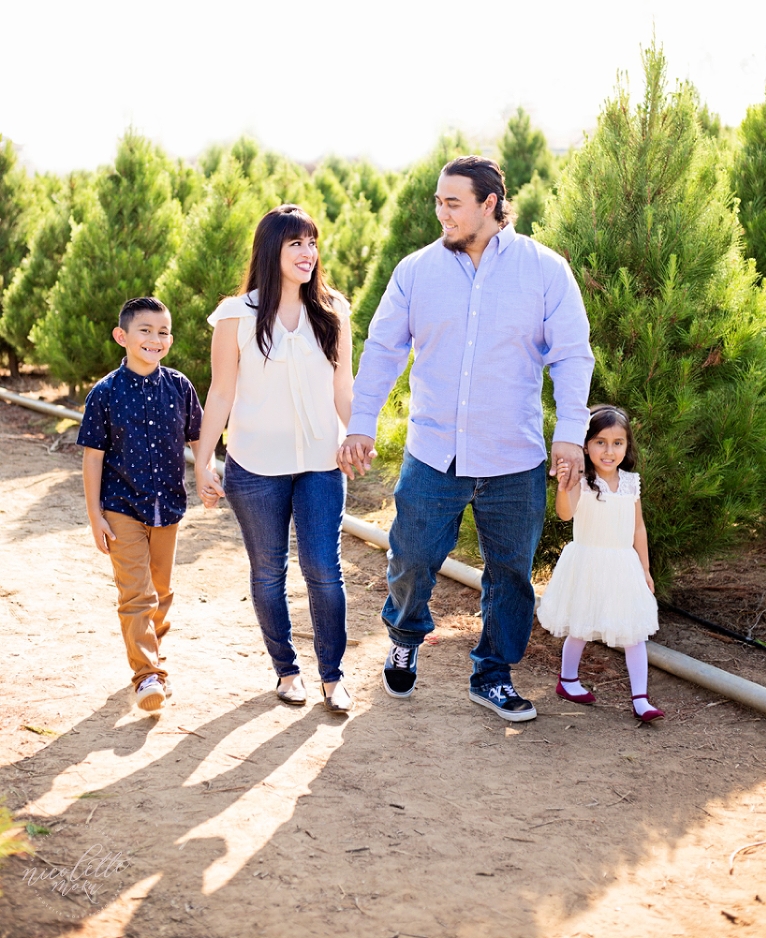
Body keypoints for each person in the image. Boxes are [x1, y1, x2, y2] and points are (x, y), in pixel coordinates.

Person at [337, 156, 594, 722]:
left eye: (453, 203)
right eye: (438, 201)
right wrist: (361, 422)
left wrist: (570, 435)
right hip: (434, 452)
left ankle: (493, 676)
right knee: (411, 558)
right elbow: (383, 350)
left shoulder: (545, 271)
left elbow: (572, 355)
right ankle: (405, 636)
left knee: (511, 576)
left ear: (490, 204)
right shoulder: (416, 271)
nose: (442, 213)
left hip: (514, 456)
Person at [195, 204, 355, 714]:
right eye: (296, 244)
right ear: (272, 250)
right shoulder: (235, 315)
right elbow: (220, 392)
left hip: (321, 463)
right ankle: (287, 671)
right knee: (268, 572)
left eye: (312, 243)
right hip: (255, 466)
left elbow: (343, 386)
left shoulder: (332, 310)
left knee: (323, 569)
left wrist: (358, 434)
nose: (309, 253)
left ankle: (332, 677)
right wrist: (202, 460)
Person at [77, 297, 203, 713]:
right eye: (145, 330)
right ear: (122, 336)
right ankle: (147, 675)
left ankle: (154, 658)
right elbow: (93, 457)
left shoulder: (180, 387)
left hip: (168, 505)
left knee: (161, 590)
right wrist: (95, 515)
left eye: (163, 331)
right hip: (121, 507)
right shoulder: (105, 393)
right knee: (136, 593)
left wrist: (206, 473)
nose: (155, 338)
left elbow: (199, 437)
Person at [537, 404, 664, 722]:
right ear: (586, 445)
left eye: (617, 443)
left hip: (624, 566)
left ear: (627, 446)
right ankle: (568, 680)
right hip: (588, 563)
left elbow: (638, 528)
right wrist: (564, 485)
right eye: (600, 442)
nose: (609, 451)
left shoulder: (630, 483)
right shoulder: (582, 482)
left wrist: (645, 569)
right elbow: (565, 513)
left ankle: (640, 699)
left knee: (633, 632)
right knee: (581, 625)